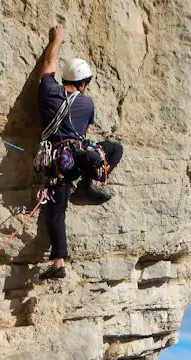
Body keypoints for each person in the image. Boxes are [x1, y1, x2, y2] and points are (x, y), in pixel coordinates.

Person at [36, 24, 124, 280]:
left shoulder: (48, 91)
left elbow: (49, 60)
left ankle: (58, 264)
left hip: (55, 164)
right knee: (114, 148)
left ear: (65, 79)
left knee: (56, 212)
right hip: (78, 159)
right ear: (83, 83)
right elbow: (82, 132)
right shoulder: (86, 103)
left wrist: (57, 39)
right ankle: (90, 181)